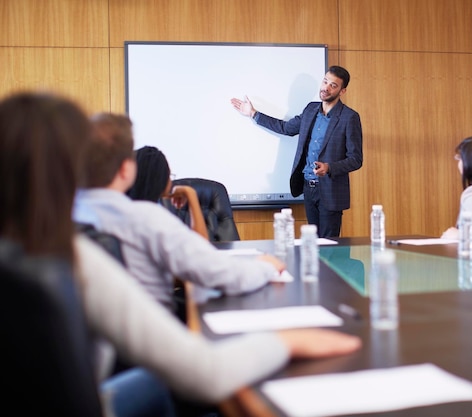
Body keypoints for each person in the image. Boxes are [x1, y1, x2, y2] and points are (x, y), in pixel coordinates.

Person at [0, 90, 361, 412]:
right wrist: (287, 340)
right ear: (124, 168)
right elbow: (204, 374)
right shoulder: (78, 256)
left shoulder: (32, 250)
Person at [73, 113, 286, 312]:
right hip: (157, 330)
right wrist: (265, 268)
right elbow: (216, 272)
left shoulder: (73, 214)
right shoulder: (147, 219)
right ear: (126, 169)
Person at [231, 65, 363, 238]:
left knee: (329, 248)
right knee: (312, 244)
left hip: (330, 191)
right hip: (309, 188)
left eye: (333, 85)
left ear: (342, 91)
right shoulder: (310, 110)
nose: (326, 88)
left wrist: (329, 167)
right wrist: (254, 114)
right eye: (325, 82)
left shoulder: (349, 117)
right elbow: (286, 128)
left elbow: (356, 159)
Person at [126, 145, 208, 239]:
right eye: (169, 175)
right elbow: (200, 246)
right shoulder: (157, 220)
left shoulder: (127, 211)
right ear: (160, 179)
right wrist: (191, 193)